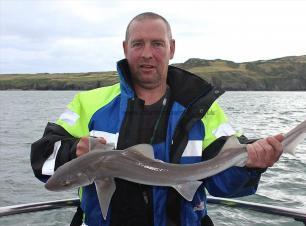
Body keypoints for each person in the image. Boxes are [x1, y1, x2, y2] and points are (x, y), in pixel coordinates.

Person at [31, 12, 284, 226]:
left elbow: (224, 186)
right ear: (125, 48)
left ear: (171, 48)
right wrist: (73, 150)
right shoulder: (90, 103)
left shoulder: (202, 110)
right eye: (138, 44)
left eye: (157, 44)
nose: (147, 54)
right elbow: (42, 159)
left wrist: (250, 164)